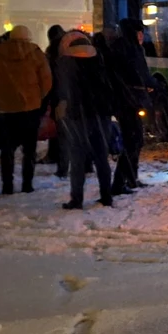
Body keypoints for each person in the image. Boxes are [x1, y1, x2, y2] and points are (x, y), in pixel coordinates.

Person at [0, 25, 52, 195]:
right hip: (30, 109)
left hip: (6, 110)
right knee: (29, 150)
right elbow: (47, 81)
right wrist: (36, 96)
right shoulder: (36, 55)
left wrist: (0, 93)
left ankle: (7, 185)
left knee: (7, 150)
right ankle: (27, 184)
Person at [56, 30, 113, 209]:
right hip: (100, 114)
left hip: (77, 116)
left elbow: (62, 89)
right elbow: (108, 86)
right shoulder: (100, 59)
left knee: (77, 158)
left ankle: (77, 199)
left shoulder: (66, 62)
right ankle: (106, 196)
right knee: (101, 157)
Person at [108, 18, 152, 194]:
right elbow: (139, 74)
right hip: (128, 102)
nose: (142, 36)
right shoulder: (130, 49)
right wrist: (152, 84)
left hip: (124, 101)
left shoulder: (119, 47)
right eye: (139, 32)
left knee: (134, 140)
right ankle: (119, 183)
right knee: (133, 141)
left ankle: (130, 178)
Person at [42, 25, 66, 176]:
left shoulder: (51, 51)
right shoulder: (68, 49)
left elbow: (48, 75)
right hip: (68, 94)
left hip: (56, 94)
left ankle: (55, 156)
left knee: (58, 127)